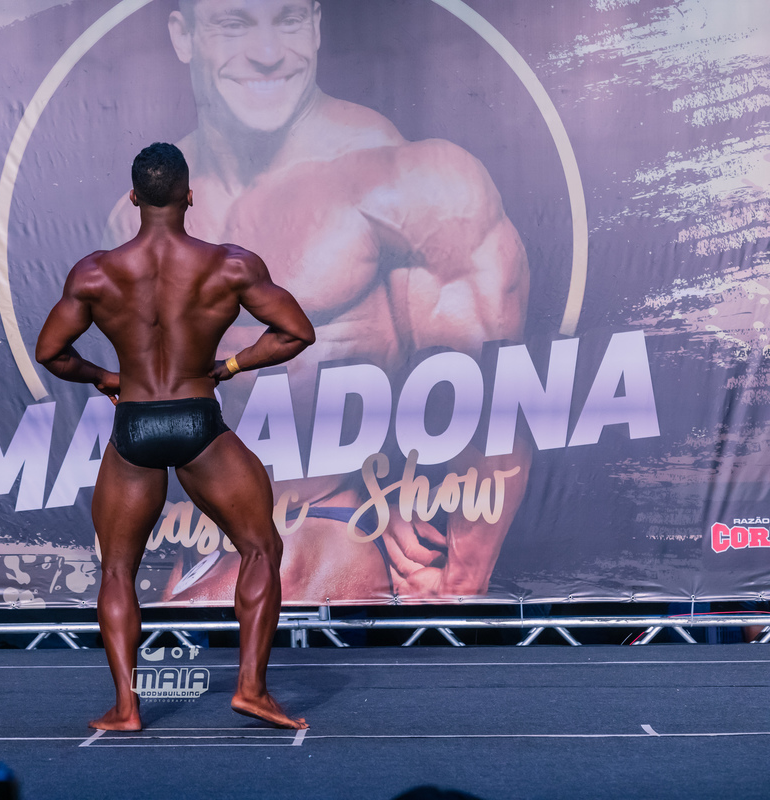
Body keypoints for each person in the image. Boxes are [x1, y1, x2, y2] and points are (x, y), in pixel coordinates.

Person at [103, 0, 530, 603]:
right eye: (234, 23)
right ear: (184, 36)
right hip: (209, 533)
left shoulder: (412, 183)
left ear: (317, 26)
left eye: (290, 21)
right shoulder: (136, 216)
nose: (268, 52)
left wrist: (456, 579)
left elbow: (493, 397)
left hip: (335, 527)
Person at [36, 142, 315, 730]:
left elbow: (52, 353)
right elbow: (295, 332)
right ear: (190, 196)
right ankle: (251, 690)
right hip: (197, 422)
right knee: (260, 548)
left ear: (133, 197)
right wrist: (229, 367)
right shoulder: (230, 266)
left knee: (118, 569)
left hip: (135, 425)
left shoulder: (95, 273)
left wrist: (106, 377)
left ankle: (126, 707)